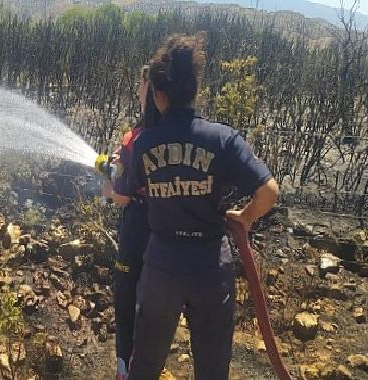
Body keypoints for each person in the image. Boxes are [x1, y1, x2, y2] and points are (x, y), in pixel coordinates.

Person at [119, 34, 280, 380]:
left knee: (145, 364)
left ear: (159, 95)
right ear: (195, 90)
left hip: (161, 264)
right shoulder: (222, 139)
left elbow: (127, 192)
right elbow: (268, 190)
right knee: (211, 367)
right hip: (209, 265)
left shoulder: (145, 142)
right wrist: (246, 217)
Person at [101, 65, 153, 380]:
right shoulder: (169, 131)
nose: (137, 89)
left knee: (126, 297)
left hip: (138, 230)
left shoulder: (138, 136)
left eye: (140, 83)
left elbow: (123, 195)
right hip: (166, 236)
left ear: (151, 88)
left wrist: (107, 187)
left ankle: (126, 367)